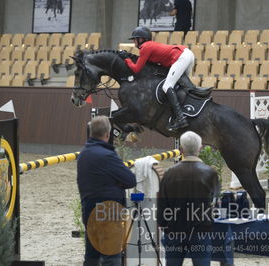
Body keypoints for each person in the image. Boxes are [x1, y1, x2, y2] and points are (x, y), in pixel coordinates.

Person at [77, 116, 137, 266]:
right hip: (108, 213)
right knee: (111, 258)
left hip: (89, 212)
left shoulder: (83, 155)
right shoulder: (108, 156)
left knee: (91, 257)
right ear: (107, 134)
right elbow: (130, 180)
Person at [157, 131, 221, 266]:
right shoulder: (210, 173)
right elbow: (215, 203)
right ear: (200, 148)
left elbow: (162, 203)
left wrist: (163, 225)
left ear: (181, 149)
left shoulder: (169, 174)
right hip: (201, 230)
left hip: (174, 230)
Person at [118, 26, 194, 132]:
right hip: (187, 54)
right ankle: (187, 112)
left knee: (167, 86)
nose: (134, 42)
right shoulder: (150, 46)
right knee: (182, 86)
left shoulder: (145, 47)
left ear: (141, 39)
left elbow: (136, 69)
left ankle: (181, 119)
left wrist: (126, 58)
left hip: (181, 57)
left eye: (135, 39)